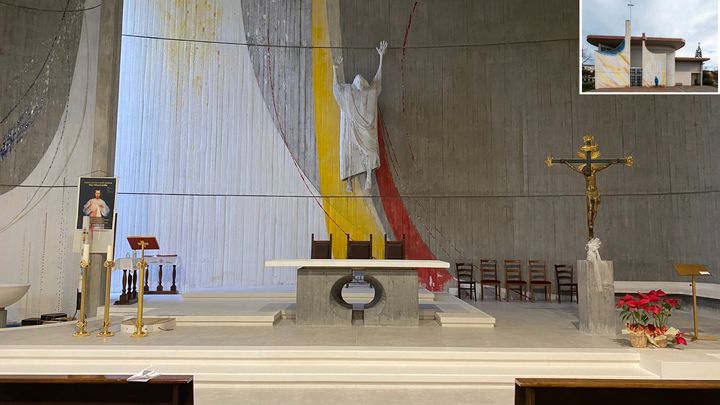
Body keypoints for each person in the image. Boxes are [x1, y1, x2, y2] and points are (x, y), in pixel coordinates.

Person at [332, 40, 388, 191]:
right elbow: (337, 89)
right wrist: (335, 70)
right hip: (353, 129)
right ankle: (350, 181)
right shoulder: (348, 93)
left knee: (370, 152)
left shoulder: (370, 93)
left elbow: (377, 82)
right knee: (349, 150)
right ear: (354, 84)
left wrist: (381, 58)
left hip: (366, 129)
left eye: (362, 81)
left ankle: (368, 177)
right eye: (358, 81)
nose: (360, 81)